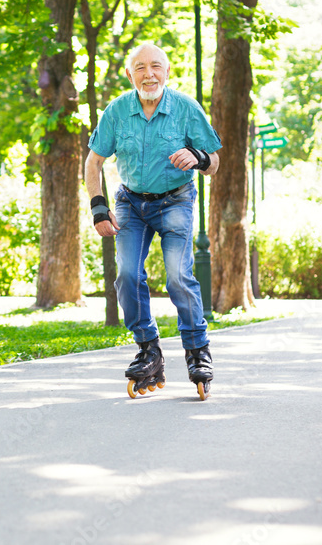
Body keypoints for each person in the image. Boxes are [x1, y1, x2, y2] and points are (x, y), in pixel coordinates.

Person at [84, 42, 222, 400]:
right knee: (128, 276)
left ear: (167, 72)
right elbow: (93, 162)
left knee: (178, 275)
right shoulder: (116, 112)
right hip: (131, 203)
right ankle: (149, 350)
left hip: (175, 200)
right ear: (130, 75)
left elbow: (215, 162)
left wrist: (198, 156)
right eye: (141, 68)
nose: (149, 74)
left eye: (156, 66)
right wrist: (98, 206)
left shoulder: (186, 109)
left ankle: (197, 350)